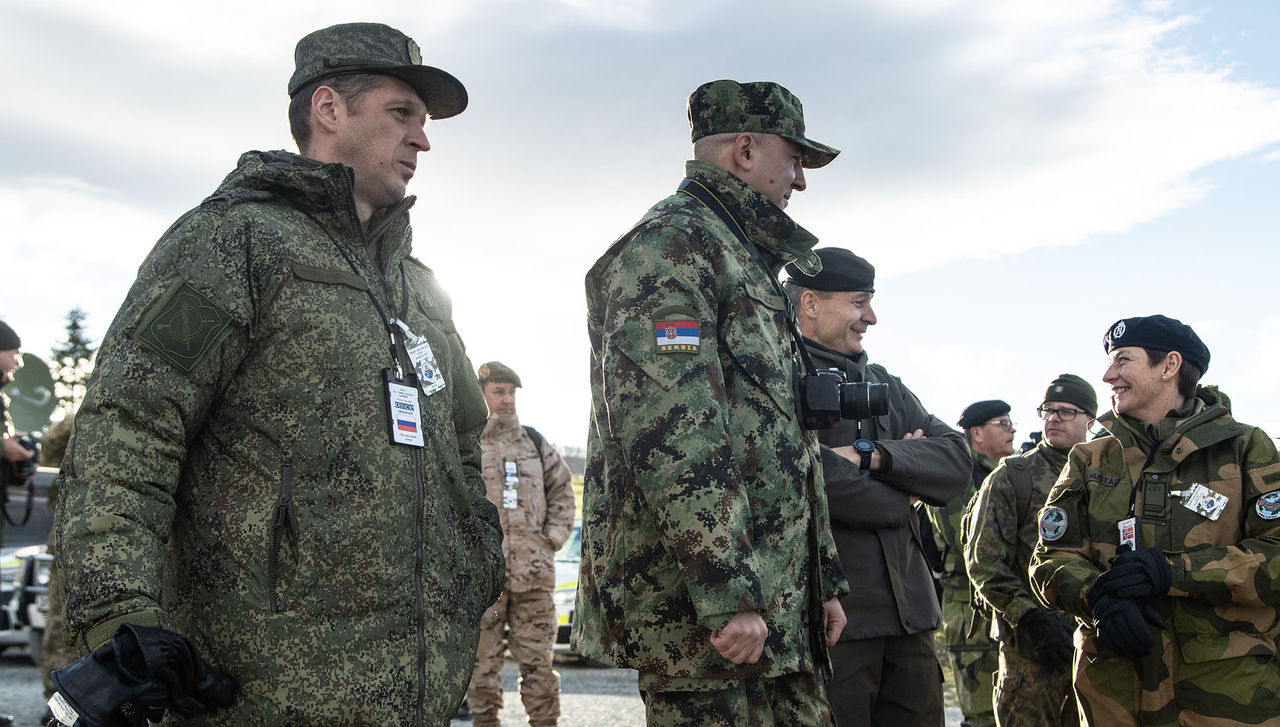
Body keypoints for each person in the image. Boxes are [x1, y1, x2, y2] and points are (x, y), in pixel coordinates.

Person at [50, 22, 503, 726]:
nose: (423, 139)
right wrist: (120, 623)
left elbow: (466, 442)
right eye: (401, 114)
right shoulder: (232, 243)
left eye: (424, 121)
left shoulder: (416, 286)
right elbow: (129, 431)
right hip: (267, 694)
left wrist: (477, 559)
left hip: (417, 695)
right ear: (328, 110)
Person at [574, 79, 849, 726]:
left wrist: (824, 583)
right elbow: (674, 436)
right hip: (710, 629)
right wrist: (728, 593)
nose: (800, 181)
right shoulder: (669, 250)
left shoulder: (743, 260)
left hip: (778, 613)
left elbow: (788, 443)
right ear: (746, 150)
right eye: (795, 158)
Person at [1029, 315, 1280, 727]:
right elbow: (1051, 556)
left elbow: (1276, 555)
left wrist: (1173, 572)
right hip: (1113, 689)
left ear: (1169, 366)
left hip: (1228, 693)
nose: (1109, 375)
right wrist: (1099, 598)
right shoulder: (1089, 459)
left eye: (1122, 361)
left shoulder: (1245, 448)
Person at [783, 248, 970, 726]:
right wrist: (905, 488)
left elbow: (956, 461)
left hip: (911, 621)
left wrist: (876, 455)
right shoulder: (778, 382)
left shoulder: (883, 384)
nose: (871, 317)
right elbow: (811, 479)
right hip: (834, 628)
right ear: (810, 303)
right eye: (858, 302)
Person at [963, 375, 1098, 726]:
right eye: (1047, 410)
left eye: (1065, 412)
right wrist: (1030, 619)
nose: (1052, 418)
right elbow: (984, 563)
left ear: (1090, 421)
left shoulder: (1107, 476)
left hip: (1095, 654)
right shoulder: (1013, 477)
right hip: (1031, 655)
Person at [466, 361, 575, 727]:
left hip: (534, 577)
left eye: (511, 392)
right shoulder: (467, 444)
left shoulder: (535, 442)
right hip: (484, 583)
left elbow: (563, 493)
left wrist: (552, 539)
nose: (507, 400)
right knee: (479, 672)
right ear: (482, 393)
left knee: (539, 669)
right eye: (499, 392)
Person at [928, 400, 1011, 727]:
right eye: (1002, 424)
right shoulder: (959, 476)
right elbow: (968, 545)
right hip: (970, 613)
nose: (1012, 429)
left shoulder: (1001, 474)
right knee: (983, 715)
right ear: (976, 433)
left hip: (999, 605)